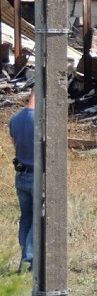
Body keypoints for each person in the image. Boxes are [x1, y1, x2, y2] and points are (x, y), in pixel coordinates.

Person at [9, 89, 35, 273]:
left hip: (21, 174)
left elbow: (14, 144)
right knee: (39, 219)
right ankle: (28, 260)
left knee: (25, 218)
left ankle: (25, 256)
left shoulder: (14, 119)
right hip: (37, 175)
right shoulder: (41, 121)